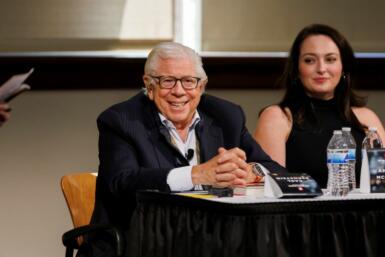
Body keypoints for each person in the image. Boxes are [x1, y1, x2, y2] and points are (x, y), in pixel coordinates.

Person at [89, 42, 286, 256]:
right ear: (149, 85)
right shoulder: (121, 121)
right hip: (139, 242)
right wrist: (195, 175)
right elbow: (122, 182)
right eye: (168, 81)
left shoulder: (226, 116)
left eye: (188, 81)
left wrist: (250, 172)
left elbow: (274, 170)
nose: (179, 91)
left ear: (201, 87)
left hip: (210, 242)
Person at [253, 24, 385, 188]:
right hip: (300, 212)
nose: (321, 69)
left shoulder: (366, 118)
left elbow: (381, 183)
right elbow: (269, 190)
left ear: (343, 67)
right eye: (309, 60)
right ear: (296, 69)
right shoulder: (277, 117)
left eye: (330, 59)